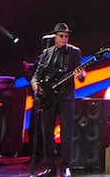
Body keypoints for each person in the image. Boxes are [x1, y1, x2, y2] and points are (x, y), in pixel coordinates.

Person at [31, 23, 86, 177]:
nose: (64, 39)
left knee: (67, 132)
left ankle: (66, 166)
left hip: (66, 97)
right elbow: (37, 74)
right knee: (47, 132)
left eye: (66, 36)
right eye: (61, 36)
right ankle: (49, 166)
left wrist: (80, 75)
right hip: (48, 97)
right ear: (55, 36)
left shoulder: (74, 52)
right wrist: (36, 87)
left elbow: (81, 74)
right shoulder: (46, 53)